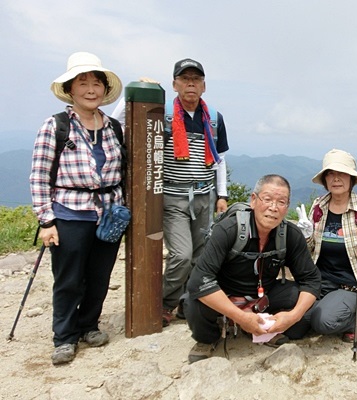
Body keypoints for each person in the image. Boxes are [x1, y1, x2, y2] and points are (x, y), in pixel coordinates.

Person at [111, 58, 230, 327]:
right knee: (182, 255)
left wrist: (222, 196)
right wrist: (135, 91)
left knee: (200, 256)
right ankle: (165, 303)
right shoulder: (161, 113)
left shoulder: (213, 118)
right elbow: (116, 123)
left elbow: (220, 159)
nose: (191, 84)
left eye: (196, 79)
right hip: (173, 196)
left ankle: (189, 303)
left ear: (204, 86)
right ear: (174, 84)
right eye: (185, 79)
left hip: (205, 195)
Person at [29, 52, 124, 365]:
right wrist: (46, 221)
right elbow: (39, 175)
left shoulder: (113, 127)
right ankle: (65, 337)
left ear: (104, 89)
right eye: (83, 83)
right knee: (69, 279)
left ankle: (89, 326)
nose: (91, 89)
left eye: (96, 83)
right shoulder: (56, 126)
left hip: (109, 214)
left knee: (99, 275)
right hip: (70, 213)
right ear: (70, 89)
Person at [183, 174, 320, 363]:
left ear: (287, 207)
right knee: (193, 301)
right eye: (267, 199)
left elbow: (311, 280)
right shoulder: (228, 230)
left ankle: (260, 327)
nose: (273, 208)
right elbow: (199, 280)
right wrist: (241, 317)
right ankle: (208, 338)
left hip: (264, 294)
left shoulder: (290, 235)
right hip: (225, 294)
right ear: (253, 200)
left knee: (301, 306)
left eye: (281, 202)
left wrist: (293, 317)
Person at [295, 149, 357, 342]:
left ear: (351, 179)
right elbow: (311, 251)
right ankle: (323, 309)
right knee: (294, 326)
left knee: (322, 322)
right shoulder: (319, 207)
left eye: (342, 173)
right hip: (320, 281)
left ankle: (350, 321)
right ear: (325, 179)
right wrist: (306, 236)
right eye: (330, 173)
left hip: (349, 286)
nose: (336, 178)